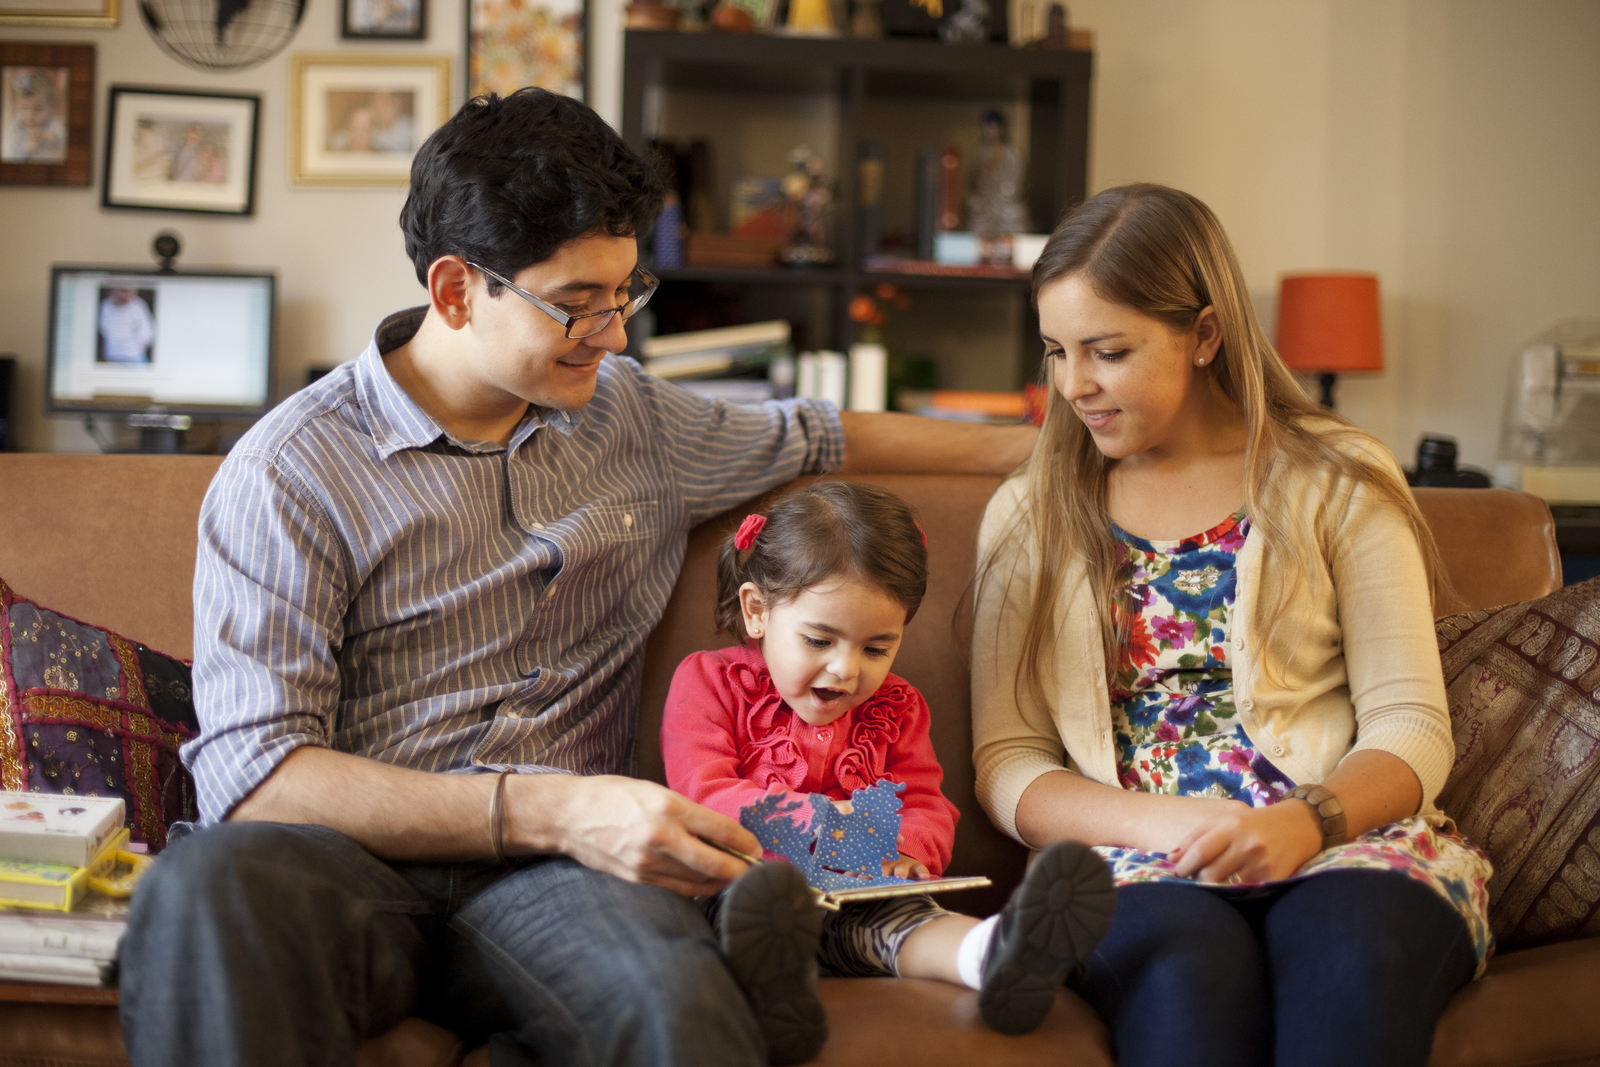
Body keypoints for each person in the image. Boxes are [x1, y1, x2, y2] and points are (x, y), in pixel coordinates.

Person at [118, 87, 1036, 1067]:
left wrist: (1051, 448)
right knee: (201, 886)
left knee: (673, 1004)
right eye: (575, 303)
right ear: (455, 291)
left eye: (625, 292)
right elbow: (253, 777)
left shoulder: (632, 418)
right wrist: (547, 804)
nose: (614, 333)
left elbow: (825, 430)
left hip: (562, 882)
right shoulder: (289, 472)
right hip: (350, 868)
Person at [971, 183, 1493, 1067]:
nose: (1074, 385)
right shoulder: (1029, 513)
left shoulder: (1339, 477)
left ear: (1206, 334)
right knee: (1187, 979)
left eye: (1107, 351)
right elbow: (1009, 759)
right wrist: (1173, 826)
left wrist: (1307, 819)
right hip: (1139, 864)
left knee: (1352, 956)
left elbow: (1411, 723)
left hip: (1346, 845)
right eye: (1057, 351)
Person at [662, 482, 1115, 1037]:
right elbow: (702, 796)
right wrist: (825, 825)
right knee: (758, 910)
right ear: (757, 610)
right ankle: (778, 990)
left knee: (911, 922)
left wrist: (903, 851)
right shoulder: (709, 682)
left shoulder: (897, 707)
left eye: (876, 648)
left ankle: (996, 956)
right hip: (742, 890)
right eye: (819, 641)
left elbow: (925, 802)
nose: (846, 671)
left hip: (862, 895)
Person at [2, 67, 66, 164]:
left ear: (51, 108)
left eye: (38, 109)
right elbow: (8, 156)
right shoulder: (14, 128)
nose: (29, 115)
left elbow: (65, 144)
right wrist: (25, 150)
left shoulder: (55, 124)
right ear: (17, 106)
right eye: (24, 108)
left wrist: (52, 139)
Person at [97, 288, 154, 363]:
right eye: (121, 291)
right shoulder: (106, 305)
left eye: (127, 292)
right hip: (113, 354)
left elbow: (146, 327)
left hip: (135, 354)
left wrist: (145, 343)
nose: (124, 295)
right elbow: (103, 327)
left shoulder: (137, 305)